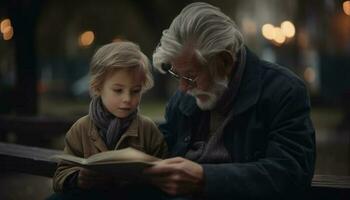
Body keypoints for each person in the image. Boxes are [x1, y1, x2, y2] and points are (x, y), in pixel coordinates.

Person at [145, 2, 315, 200]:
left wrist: (205, 177)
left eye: (191, 76)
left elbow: (290, 173)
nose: (182, 88)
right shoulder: (184, 98)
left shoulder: (283, 91)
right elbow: (162, 145)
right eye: (177, 74)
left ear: (225, 62)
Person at [50, 41, 168, 199]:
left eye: (135, 91)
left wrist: (148, 176)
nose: (127, 99)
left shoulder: (147, 129)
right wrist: (78, 178)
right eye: (118, 90)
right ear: (98, 87)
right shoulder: (81, 128)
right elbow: (60, 175)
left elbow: (166, 173)